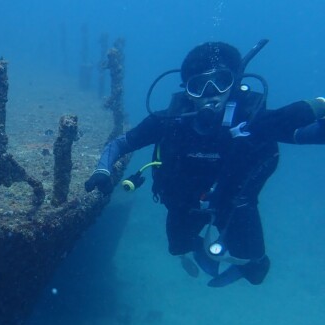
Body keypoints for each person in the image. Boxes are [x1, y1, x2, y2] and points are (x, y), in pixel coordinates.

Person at [85, 40, 325, 287]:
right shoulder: (170, 121)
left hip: (232, 204)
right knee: (177, 248)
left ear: (235, 81)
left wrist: (319, 105)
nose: (211, 93)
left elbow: (310, 133)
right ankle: (198, 248)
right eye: (199, 86)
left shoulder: (255, 121)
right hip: (183, 203)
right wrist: (102, 171)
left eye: (221, 82)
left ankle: (243, 262)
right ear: (188, 91)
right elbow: (119, 145)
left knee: (256, 271)